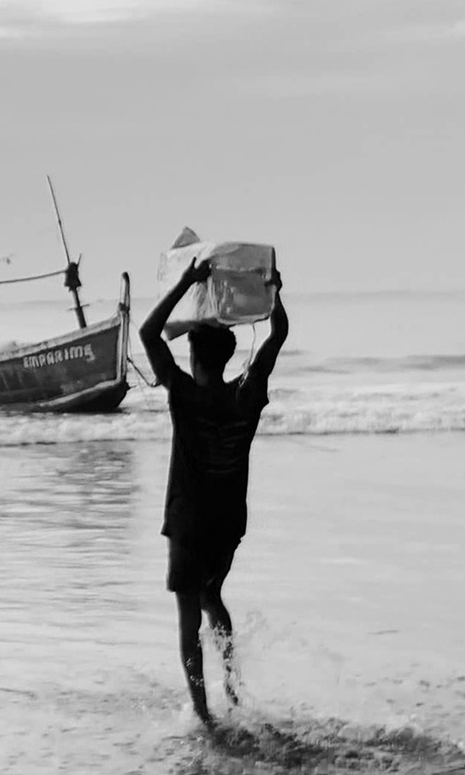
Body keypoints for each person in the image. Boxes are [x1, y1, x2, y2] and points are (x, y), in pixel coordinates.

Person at [138, 257, 288, 729]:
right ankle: (231, 687)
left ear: (193, 357)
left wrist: (185, 281)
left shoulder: (183, 394)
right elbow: (277, 335)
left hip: (187, 520)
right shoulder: (246, 395)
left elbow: (147, 333)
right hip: (228, 521)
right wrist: (273, 293)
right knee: (211, 596)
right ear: (224, 357)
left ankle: (203, 714)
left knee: (188, 617)